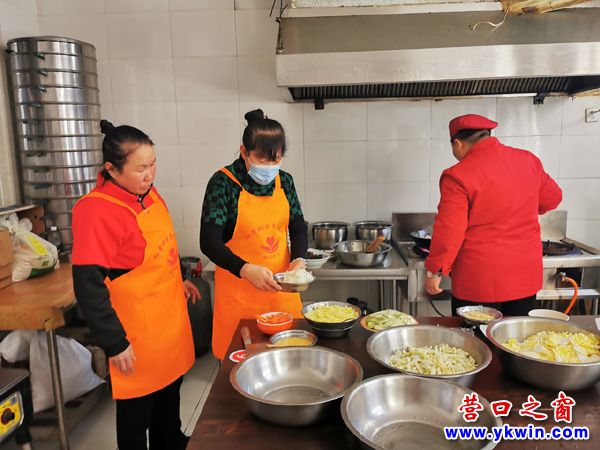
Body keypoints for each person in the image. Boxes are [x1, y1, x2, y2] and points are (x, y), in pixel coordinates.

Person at [72, 120, 200, 450]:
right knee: (136, 414)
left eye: (153, 164)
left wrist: (180, 277)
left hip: (168, 324)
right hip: (136, 336)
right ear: (111, 170)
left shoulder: (146, 193)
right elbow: (88, 286)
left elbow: (159, 249)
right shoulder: (96, 210)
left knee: (170, 395)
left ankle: (170, 442)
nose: (150, 174)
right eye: (141, 168)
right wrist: (114, 342)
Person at [424, 114, 562, 315]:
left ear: (458, 144)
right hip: (524, 278)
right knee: (515, 334)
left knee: (475, 335)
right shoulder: (529, 160)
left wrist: (435, 270)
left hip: (479, 282)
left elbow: (450, 229)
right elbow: (553, 198)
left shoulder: (458, 175)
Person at [200, 109, 308, 360]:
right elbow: (209, 241)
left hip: (281, 296)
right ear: (244, 152)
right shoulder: (223, 183)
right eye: (261, 159)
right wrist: (245, 269)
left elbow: (298, 227)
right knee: (239, 370)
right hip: (240, 302)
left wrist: (298, 260)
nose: (269, 167)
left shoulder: (285, 182)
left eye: (275, 160)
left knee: (288, 364)